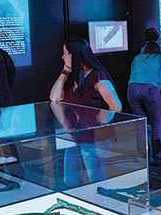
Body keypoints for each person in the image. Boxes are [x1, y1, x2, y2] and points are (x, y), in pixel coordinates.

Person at [49, 38, 122, 188]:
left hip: (94, 138)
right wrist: (64, 72)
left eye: (65, 54)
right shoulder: (75, 77)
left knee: (95, 178)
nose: (63, 57)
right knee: (71, 179)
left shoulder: (98, 77)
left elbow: (115, 106)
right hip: (75, 136)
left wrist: (97, 122)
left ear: (75, 55)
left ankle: (101, 209)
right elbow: (54, 98)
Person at [128, 42, 161, 165]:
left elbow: (132, 72)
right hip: (151, 89)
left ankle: (142, 156)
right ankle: (158, 157)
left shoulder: (137, 57)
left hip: (132, 88)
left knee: (140, 124)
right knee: (156, 123)